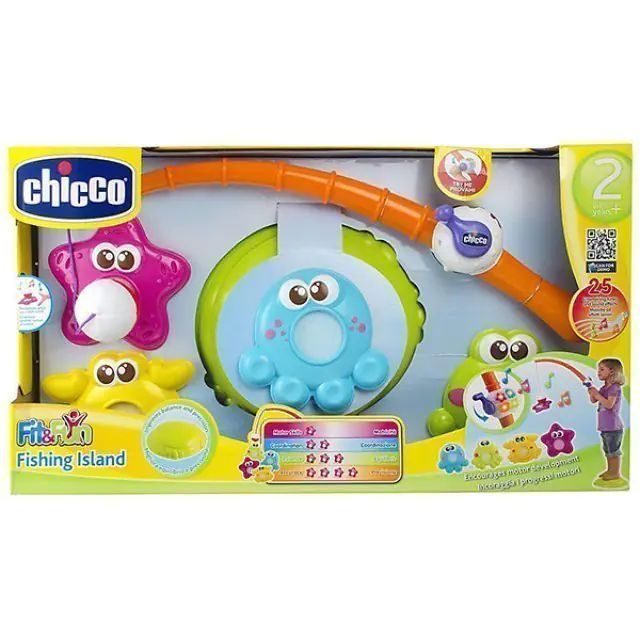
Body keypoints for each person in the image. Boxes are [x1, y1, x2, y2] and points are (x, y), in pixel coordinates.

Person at [588, 358, 626, 481]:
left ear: (612, 371)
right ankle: (610, 470)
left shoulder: (614, 388)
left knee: (614, 451)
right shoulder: (604, 388)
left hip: (613, 426)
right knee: (608, 450)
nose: (598, 372)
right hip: (605, 426)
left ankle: (615, 472)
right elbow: (593, 400)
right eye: (598, 369)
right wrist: (591, 392)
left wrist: (597, 394)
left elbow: (609, 405)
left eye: (602, 369)